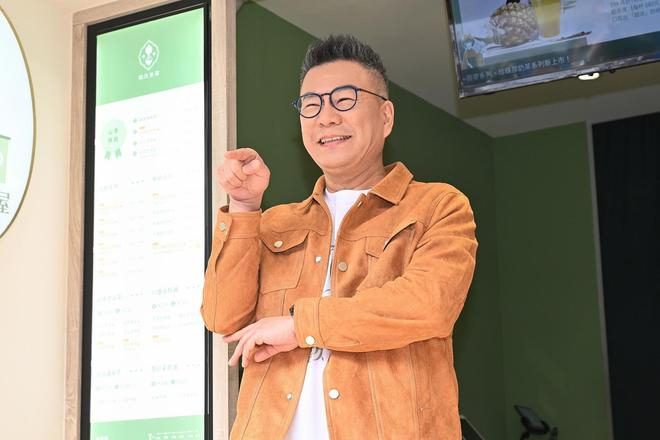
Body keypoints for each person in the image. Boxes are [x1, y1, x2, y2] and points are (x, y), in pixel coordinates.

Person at [201, 34, 478, 440]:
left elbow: (427, 304)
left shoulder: (438, 206)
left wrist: (300, 326)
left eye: (344, 99)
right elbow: (222, 317)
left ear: (386, 117)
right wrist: (243, 207)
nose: (326, 117)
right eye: (311, 105)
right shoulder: (274, 224)